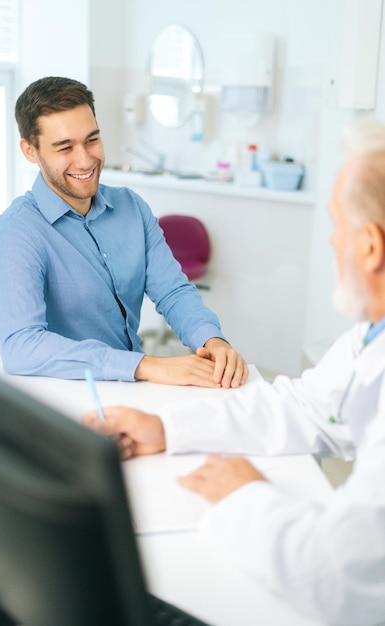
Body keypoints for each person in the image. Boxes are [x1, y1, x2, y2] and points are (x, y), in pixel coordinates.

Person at [82, 118, 385, 626]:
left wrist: (246, 496)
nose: (332, 242)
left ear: (370, 247)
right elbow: (310, 405)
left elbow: (339, 577)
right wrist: (167, 428)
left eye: (336, 226)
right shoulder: (369, 337)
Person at [0, 76, 247, 386]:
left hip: (130, 389)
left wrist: (212, 340)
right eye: (64, 147)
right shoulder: (17, 231)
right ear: (30, 150)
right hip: (69, 398)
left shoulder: (131, 208)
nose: (85, 160)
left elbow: (173, 291)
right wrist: (145, 365)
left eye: (92, 140)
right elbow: (20, 346)